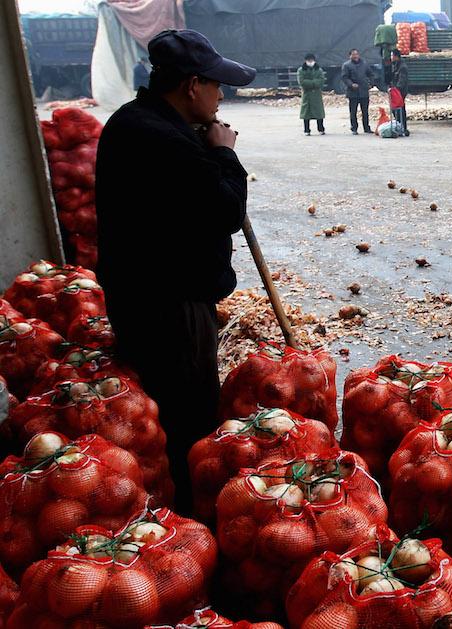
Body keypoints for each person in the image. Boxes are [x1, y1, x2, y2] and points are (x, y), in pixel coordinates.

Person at [94, 29, 255, 514]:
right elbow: (225, 210)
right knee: (189, 418)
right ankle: (191, 522)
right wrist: (224, 151)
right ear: (191, 86)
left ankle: (176, 510)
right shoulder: (160, 138)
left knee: (168, 409)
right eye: (216, 85)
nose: (222, 95)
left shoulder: (136, 123)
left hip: (147, 296)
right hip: (169, 306)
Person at [341, 48, 374, 135]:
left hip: (363, 91)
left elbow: (371, 74)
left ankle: (366, 128)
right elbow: (344, 77)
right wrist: (351, 84)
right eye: (353, 54)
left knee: (365, 111)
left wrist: (371, 84)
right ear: (350, 56)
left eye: (356, 54)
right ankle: (354, 128)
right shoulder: (346, 65)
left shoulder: (365, 64)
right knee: (353, 112)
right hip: (353, 92)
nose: (355, 56)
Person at [298, 53, 326, 135]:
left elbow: (321, 81)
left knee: (319, 112)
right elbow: (302, 82)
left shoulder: (319, 70)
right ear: (305, 60)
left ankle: (321, 129)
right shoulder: (301, 70)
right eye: (308, 60)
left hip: (317, 94)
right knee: (306, 113)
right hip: (307, 94)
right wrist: (314, 83)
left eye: (311, 60)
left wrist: (311, 83)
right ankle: (307, 130)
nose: (310, 61)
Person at [388, 49, 410, 137]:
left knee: (399, 109)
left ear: (396, 56)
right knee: (395, 109)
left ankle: (403, 127)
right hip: (396, 91)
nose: (391, 57)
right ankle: (400, 126)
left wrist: (396, 89)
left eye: (392, 56)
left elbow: (402, 81)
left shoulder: (402, 67)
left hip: (400, 92)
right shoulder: (395, 65)